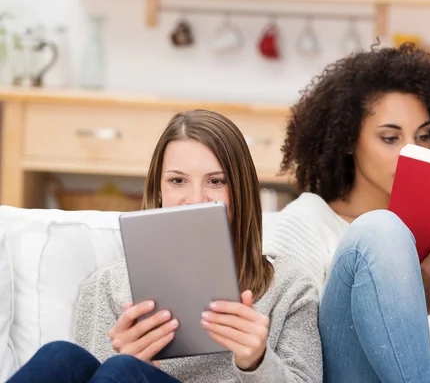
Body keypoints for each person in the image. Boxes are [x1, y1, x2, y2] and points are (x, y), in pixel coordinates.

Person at [265, 43, 430, 383]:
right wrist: (415, 302)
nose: (412, 153)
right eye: (390, 137)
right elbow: (303, 361)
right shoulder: (304, 225)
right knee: (381, 228)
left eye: (423, 136)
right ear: (346, 140)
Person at [9, 110, 323, 383]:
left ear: (239, 192)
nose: (196, 199)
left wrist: (256, 360)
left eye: (216, 181)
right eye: (177, 181)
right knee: (61, 357)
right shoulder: (106, 286)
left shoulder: (290, 288)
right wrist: (139, 365)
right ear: (159, 190)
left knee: (122, 370)